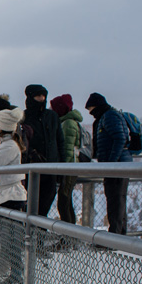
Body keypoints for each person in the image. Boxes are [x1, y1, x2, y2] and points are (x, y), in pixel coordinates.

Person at [85, 92, 132, 234]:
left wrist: (111, 162)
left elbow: (119, 139)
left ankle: (115, 236)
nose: (91, 113)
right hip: (117, 165)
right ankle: (119, 233)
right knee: (117, 200)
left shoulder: (110, 116)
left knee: (115, 201)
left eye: (91, 109)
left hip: (117, 167)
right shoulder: (107, 116)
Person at [21, 84, 65, 217]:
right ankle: (30, 235)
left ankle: (38, 235)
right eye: (38, 96)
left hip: (51, 169)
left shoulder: (52, 116)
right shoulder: (24, 117)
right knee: (30, 208)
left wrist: (62, 166)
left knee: (44, 208)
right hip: (31, 170)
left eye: (43, 96)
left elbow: (60, 141)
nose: (41, 99)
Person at [50, 94, 83, 224]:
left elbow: (67, 149)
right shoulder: (67, 122)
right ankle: (68, 237)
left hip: (70, 167)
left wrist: (63, 169)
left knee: (64, 202)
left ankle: (68, 238)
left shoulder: (68, 123)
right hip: (70, 167)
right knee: (66, 202)